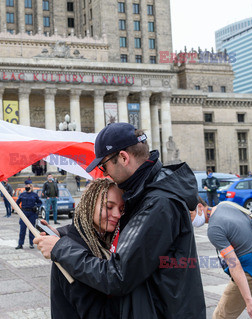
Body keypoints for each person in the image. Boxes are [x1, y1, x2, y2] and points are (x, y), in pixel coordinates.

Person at [34, 123, 205, 318]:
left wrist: (61, 248)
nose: (105, 174)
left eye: (104, 165)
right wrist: (67, 234)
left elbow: (117, 276)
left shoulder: (158, 203)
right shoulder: (145, 194)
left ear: (123, 157)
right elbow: (127, 233)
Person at [40, 178, 123, 319]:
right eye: (109, 207)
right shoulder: (72, 252)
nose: (117, 214)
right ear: (89, 206)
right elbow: (96, 313)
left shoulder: (101, 239)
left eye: (121, 209)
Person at [191, 198, 252, 318]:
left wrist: (248, 300)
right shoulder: (226, 204)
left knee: (221, 316)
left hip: (249, 272)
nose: (190, 220)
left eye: (190, 215)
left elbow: (234, 264)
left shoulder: (214, 229)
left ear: (200, 207)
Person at [15, 181, 42, 250]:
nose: (26, 186)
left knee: (31, 229)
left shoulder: (34, 194)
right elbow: (16, 203)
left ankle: (31, 243)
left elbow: (39, 202)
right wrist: (19, 210)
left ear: (31, 186)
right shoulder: (22, 194)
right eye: (26, 185)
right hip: (24, 213)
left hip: (32, 213)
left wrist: (36, 206)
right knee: (22, 230)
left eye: (28, 185)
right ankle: (20, 244)